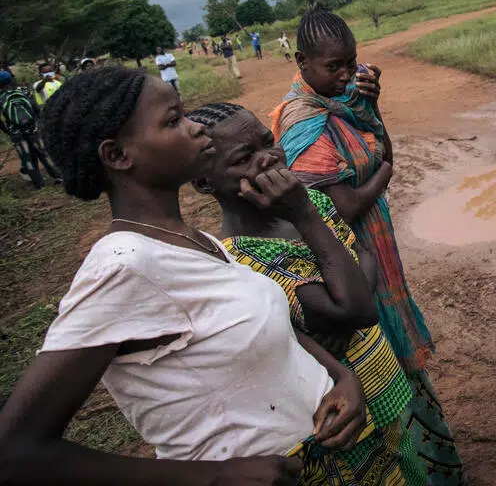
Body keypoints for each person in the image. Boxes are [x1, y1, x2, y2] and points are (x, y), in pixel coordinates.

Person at [0, 66, 371, 484]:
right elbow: (15, 450)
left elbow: (267, 325)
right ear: (118, 156)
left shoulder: (188, 239)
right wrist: (212, 477)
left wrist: (341, 377)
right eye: (174, 121)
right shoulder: (124, 267)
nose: (197, 129)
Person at [188, 101, 430, 486]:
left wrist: (346, 307)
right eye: (244, 158)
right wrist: (305, 219)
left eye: (268, 142)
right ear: (205, 182)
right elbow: (358, 301)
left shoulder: (313, 202)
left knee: (406, 466)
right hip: (341, 417)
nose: (268, 159)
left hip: (383, 378)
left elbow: (363, 260)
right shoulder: (240, 258)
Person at [271, 10, 465, 485]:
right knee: (375, 360)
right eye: (333, 66)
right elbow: (349, 203)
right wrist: (384, 172)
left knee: (397, 359)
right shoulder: (305, 123)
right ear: (302, 63)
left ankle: (435, 468)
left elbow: (382, 146)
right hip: (347, 264)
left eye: (350, 63)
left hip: (373, 253)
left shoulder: (346, 105)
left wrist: (372, 116)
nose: (345, 74)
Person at [0, 70, 61, 188]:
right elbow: (35, 108)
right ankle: (58, 176)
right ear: (11, 79)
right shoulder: (24, 91)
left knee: (26, 156)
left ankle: (38, 184)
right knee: (43, 153)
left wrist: (6, 130)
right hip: (33, 128)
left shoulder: (2, 97)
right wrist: (37, 122)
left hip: (16, 131)